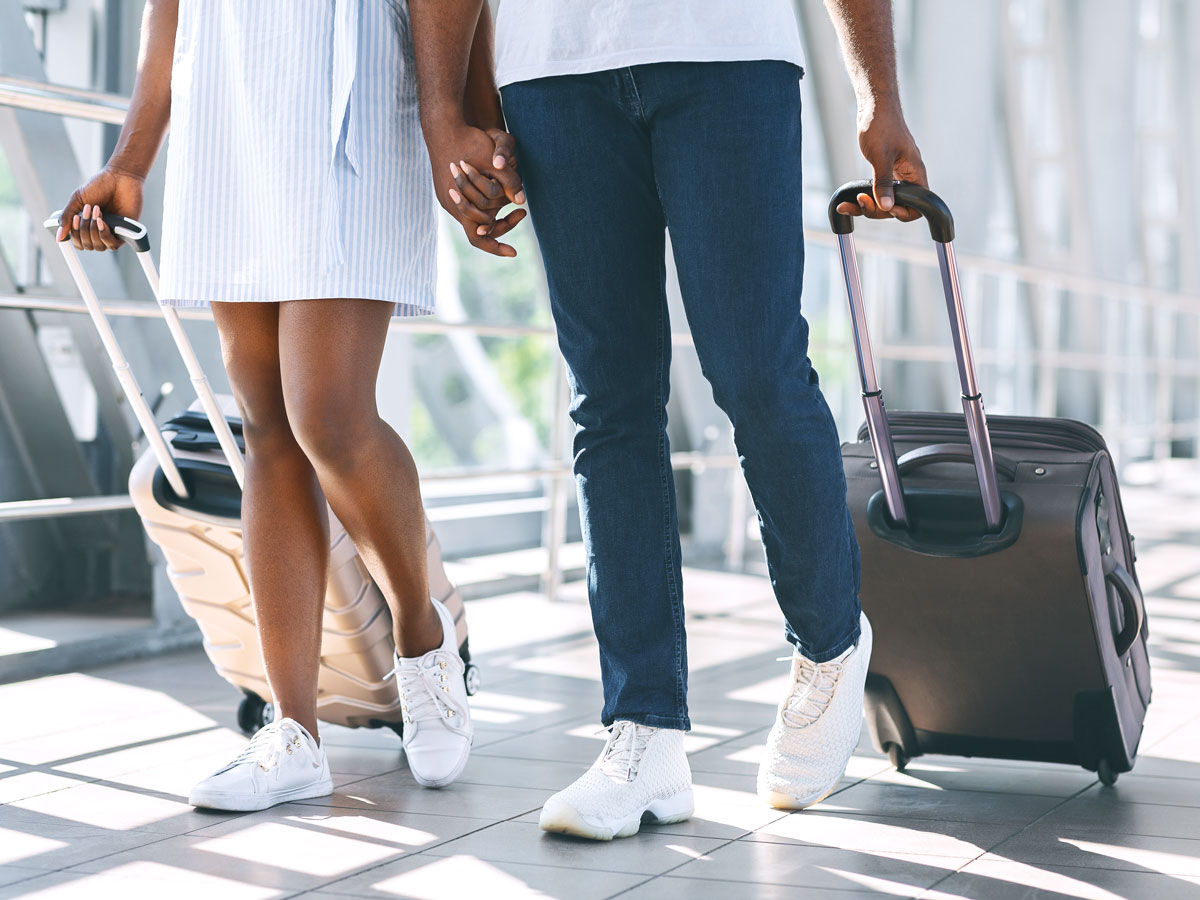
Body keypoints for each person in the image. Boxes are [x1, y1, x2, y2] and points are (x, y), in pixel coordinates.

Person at [437, 0, 929, 839]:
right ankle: (644, 730)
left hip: (726, 52)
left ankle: (830, 644)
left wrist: (877, 92)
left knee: (756, 374)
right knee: (608, 402)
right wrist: (448, 110)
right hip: (552, 73)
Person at [58, 0, 524, 812]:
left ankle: (421, 635)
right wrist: (132, 159)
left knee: (329, 417)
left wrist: (466, 118)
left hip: (357, 89)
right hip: (229, 103)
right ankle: (293, 733)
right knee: (268, 427)